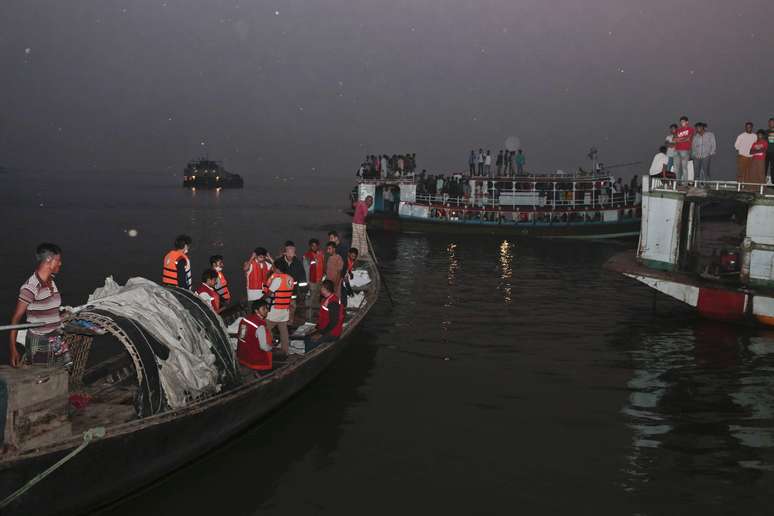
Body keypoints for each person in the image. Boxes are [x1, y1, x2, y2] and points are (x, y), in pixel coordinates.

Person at [8, 243, 68, 368]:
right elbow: (16, 318)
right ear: (48, 260)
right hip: (40, 341)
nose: (60, 263)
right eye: (58, 260)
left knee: (59, 375)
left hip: (55, 338)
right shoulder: (30, 287)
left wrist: (63, 316)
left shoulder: (51, 279)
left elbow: (46, 311)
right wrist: (13, 349)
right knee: (41, 380)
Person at [304, 280, 345, 352]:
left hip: (332, 333)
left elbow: (334, 322)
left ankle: (309, 357)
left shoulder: (333, 302)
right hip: (325, 329)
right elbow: (323, 317)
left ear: (326, 289)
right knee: (307, 336)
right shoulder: (327, 299)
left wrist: (321, 334)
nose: (321, 289)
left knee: (311, 342)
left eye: (322, 288)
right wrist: (316, 328)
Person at [265, 259, 295, 356]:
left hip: (275, 310)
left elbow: (269, 293)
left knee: (267, 329)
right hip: (285, 310)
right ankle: (285, 351)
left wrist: (260, 300)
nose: (273, 269)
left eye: (274, 267)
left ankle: (267, 350)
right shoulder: (290, 278)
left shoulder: (278, 279)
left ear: (277, 269)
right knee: (283, 331)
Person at [236, 299, 273, 371]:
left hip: (242, 356)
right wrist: (272, 348)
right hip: (255, 361)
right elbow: (264, 347)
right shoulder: (260, 326)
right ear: (256, 311)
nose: (267, 311)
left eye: (266, 308)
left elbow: (242, 337)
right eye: (263, 309)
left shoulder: (245, 320)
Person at [303, 239, 325, 308]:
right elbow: (306, 270)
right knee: (311, 298)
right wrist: (308, 282)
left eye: (316, 245)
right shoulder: (307, 256)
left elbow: (323, 266)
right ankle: (309, 316)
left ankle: (316, 313)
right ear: (310, 246)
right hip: (312, 281)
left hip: (320, 281)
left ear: (318, 246)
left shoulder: (321, 254)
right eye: (312, 246)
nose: (314, 247)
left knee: (318, 297)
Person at [351, 195, 373, 263]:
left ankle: (354, 252)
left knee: (355, 239)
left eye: (371, 201)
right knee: (362, 239)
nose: (371, 203)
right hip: (360, 225)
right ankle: (362, 253)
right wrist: (365, 224)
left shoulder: (360, 202)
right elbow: (365, 216)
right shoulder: (365, 206)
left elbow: (354, 204)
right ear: (366, 200)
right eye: (370, 201)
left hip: (354, 223)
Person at [673, 116, 694, 180]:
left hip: (685, 150)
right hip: (677, 150)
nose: (682, 123)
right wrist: (682, 139)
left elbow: (688, 138)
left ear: (687, 122)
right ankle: (677, 183)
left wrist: (679, 139)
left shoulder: (690, 129)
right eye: (681, 122)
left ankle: (685, 183)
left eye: (683, 121)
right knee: (676, 168)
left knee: (684, 167)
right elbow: (674, 139)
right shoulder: (678, 130)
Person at [766, 118, 774, 183]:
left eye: (772, 122)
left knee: (773, 168)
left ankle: (773, 183)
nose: (771, 124)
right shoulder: (765, 132)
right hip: (766, 153)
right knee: (764, 168)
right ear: (768, 124)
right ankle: (763, 182)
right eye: (770, 122)